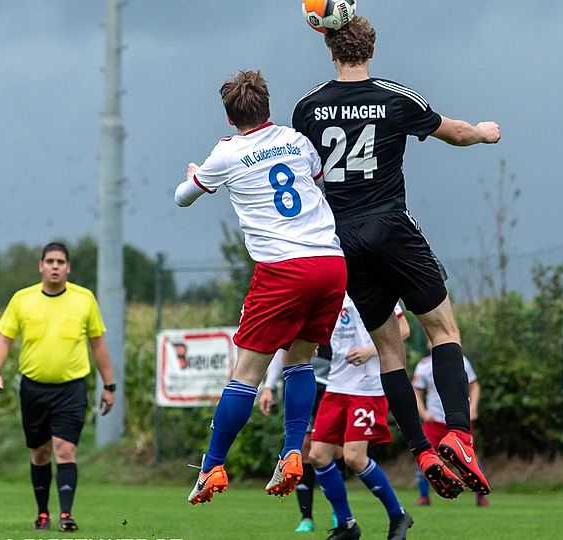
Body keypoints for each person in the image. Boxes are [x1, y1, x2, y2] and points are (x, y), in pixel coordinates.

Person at [292, 16, 501, 499]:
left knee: (390, 350)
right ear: (371, 49)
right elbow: (455, 133)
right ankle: (459, 435)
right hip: (391, 227)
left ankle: (422, 451)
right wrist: (484, 133)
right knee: (443, 331)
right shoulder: (395, 97)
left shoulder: (307, 107)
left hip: (342, 238)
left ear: (330, 50)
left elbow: (306, 173)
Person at [175, 70, 347, 505]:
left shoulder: (226, 153)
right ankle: (291, 451)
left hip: (284, 270)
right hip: (331, 263)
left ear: (229, 117)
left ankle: (212, 466)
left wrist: (196, 174)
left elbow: (182, 197)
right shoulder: (296, 140)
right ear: (268, 107)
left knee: (247, 375)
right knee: (300, 360)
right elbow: (317, 179)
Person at [0, 242, 116, 532]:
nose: (55, 266)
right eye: (50, 261)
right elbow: (3, 340)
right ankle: (43, 514)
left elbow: (98, 345)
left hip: (71, 389)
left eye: (60, 262)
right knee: (40, 453)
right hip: (33, 389)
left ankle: (66, 515)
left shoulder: (84, 299)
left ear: (68, 267)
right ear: (41, 266)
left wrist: (109, 385)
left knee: (65, 449)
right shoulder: (22, 299)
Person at [308, 295, 413, 540]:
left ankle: (398, 515)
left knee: (354, 457)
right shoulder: (331, 290)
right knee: (318, 455)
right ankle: (347, 525)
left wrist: (370, 351)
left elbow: (404, 329)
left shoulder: (372, 286)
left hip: (367, 388)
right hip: (336, 385)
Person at [259, 346, 341, 533]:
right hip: (300, 381)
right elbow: (281, 350)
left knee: (334, 450)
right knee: (302, 448)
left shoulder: (338, 328)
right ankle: (306, 517)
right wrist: (268, 387)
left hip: (332, 386)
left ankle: (339, 512)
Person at [412, 350, 487, 507]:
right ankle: (424, 496)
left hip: (457, 420)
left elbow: (474, 386)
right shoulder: (424, 365)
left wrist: (473, 407)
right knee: (424, 455)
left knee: (468, 457)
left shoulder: (461, 360)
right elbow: (416, 392)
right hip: (434, 422)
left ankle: (481, 496)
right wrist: (424, 413)